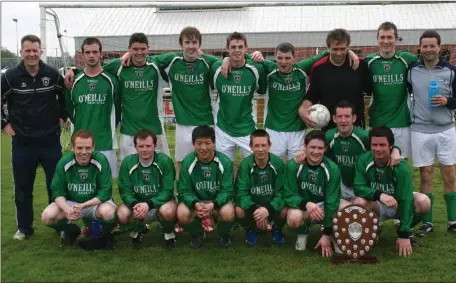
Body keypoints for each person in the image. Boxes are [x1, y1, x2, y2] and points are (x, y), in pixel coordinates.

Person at [1, 34, 67, 240]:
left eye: (35, 50)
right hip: (23, 142)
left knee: (55, 186)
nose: (31, 54)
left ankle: (60, 225)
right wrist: (4, 124)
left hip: (49, 140)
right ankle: (24, 228)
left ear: (41, 52)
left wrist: (62, 116)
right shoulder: (9, 77)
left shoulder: (53, 74)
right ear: (21, 52)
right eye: (27, 50)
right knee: (22, 186)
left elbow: (64, 96)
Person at [64, 33, 170, 160]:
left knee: (161, 169)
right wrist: (74, 71)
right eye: (135, 49)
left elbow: (177, 56)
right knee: (130, 170)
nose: (139, 52)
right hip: (129, 131)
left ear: (149, 49)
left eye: (142, 49)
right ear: (129, 48)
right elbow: (96, 70)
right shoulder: (118, 66)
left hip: (155, 128)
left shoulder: (155, 65)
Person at [353, 126, 431, 256]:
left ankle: (404, 226)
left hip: (398, 203)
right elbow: (358, 187)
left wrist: (404, 234)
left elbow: (406, 199)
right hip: (378, 203)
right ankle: (374, 228)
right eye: (374, 145)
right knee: (359, 202)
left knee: (423, 202)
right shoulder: (363, 160)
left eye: (382, 145)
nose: (378, 149)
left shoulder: (401, 167)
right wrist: (380, 195)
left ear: (391, 146)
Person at [407, 30, 456, 236]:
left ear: (439, 47)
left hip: (445, 129)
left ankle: (453, 221)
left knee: (450, 175)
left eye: (432, 46)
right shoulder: (411, 71)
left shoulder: (451, 71)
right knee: (425, 175)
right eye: (424, 46)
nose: (428, 50)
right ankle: (428, 223)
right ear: (420, 48)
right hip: (420, 130)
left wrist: (448, 102)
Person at [41, 130, 117, 249]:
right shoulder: (64, 162)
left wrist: (83, 205)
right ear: (73, 148)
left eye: (88, 148)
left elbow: (105, 192)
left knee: (109, 212)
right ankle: (71, 230)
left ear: (93, 147)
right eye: (79, 148)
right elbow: (57, 192)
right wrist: (67, 209)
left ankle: (105, 234)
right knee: (47, 216)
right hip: (72, 204)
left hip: (95, 204)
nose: (84, 152)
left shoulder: (101, 160)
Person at [65, 37, 121, 178]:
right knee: (82, 184)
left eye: (95, 52)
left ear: (101, 54)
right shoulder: (73, 81)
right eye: (88, 52)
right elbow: (70, 110)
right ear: (82, 55)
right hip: (80, 144)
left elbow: (118, 108)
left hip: (105, 142)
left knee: (106, 187)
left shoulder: (112, 80)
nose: (91, 56)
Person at [284, 130, 346, 257]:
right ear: (305, 147)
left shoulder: (332, 168)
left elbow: (332, 201)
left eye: (320, 148)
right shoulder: (293, 165)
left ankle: (334, 235)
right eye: (312, 147)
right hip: (304, 206)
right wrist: (306, 204)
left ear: (325, 149)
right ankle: (303, 232)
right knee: (294, 218)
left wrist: (326, 233)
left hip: (324, 205)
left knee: (346, 209)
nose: (316, 152)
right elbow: (289, 195)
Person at [299, 28, 372, 130]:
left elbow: (371, 90)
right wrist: (302, 109)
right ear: (328, 48)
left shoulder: (360, 65)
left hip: (356, 127)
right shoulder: (319, 69)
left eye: (342, 49)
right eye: (335, 49)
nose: (339, 53)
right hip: (329, 128)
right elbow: (312, 95)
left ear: (348, 48)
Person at [365, 22, 418, 159]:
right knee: (379, 164)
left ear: (396, 39)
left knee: (401, 164)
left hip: (401, 122)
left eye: (389, 37)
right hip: (378, 122)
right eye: (382, 37)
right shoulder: (369, 62)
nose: (386, 41)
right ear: (377, 39)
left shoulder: (407, 59)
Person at [177, 126, 235, 248]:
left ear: (214, 143)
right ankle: (197, 234)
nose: (203, 147)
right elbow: (184, 191)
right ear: (193, 144)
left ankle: (222, 234)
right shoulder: (188, 162)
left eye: (207, 143)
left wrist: (213, 204)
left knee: (228, 212)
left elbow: (228, 191)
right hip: (196, 202)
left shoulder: (225, 162)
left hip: (215, 203)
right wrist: (196, 204)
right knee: (182, 213)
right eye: (199, 143)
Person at [211, 31, 267, 161]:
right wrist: (225, 59)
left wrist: (258, 55)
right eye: (233, 47)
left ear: (246, 48)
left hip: (247, 128)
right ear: (227, 49)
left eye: (240, 47)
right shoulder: (216, 68)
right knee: (224, 170)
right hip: (223, 128)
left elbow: (262, 90)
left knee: (255, 167)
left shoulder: (256, 69)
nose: (237, 50)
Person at [117, 129, 177, 249]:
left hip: (161, 203)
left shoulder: (165, 161)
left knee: (168, 211)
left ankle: (168, 232)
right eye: (141, 146)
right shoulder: (127, 162)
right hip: (138, 203)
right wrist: (135, 204)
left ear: (155, 145)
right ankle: (139, 230)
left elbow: (167, 190)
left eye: (148, 146)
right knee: (122, 214)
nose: (145, 149)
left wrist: (148, 204)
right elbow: (125, 191)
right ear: (135, 147)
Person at [235, 129, 288, 245]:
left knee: (285, 210)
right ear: (251, 147)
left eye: (263, 145)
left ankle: (277, 228)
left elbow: (281, 192)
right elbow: (241, 194)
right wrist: (257, 210)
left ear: (269, 145)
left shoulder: (278, 164)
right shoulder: (245, 165)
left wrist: (268, 209)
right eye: (256, 145)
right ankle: (250, 228)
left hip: (271, 206)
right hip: (253, 207)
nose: (260, 149)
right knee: (238, 210)